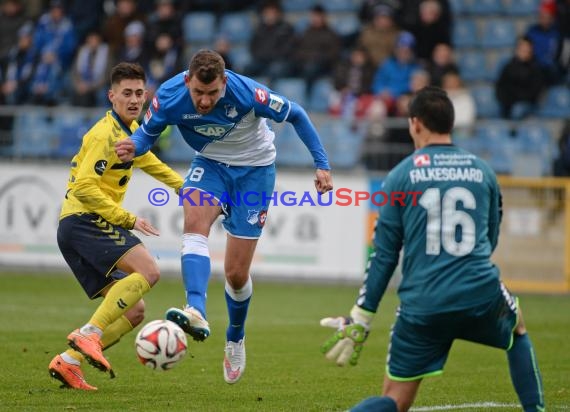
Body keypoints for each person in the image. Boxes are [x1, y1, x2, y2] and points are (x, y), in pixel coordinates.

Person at [320, 86, 545, 412]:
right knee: (518, 327)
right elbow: (490, 236)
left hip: (423, 303)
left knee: (394, 401)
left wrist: (362, 316)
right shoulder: (482, 171)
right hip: (480, 291)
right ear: (449, 123)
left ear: (415, 124)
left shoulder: (400, 176)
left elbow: (384, 254)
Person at [115, 49, 333, 384]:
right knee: (194, 223)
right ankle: (196, 310)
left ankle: (235, 337)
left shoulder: (247, 92)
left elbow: (298, 115)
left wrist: (321, 164)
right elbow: (146, 135)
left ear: (224, 82)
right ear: (187, 81)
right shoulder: (171, 97)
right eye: (198, 93)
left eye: (212, 93)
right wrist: (134, 145)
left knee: (235, 274)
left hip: (255, 172)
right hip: (211, 165)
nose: (204, 101)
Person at [49, 62, 184, 391]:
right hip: (83, 219)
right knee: (149, 271)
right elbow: (83, 188)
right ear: (112, 96)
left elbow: (152, 163)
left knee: (135, 311)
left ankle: (69, 361)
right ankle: (89, 334)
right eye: (127, 93)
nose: (135, 99)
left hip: (78, 227)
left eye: (140, 92)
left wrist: (187, 189)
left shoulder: (133, 132)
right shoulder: (103, 134)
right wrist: (128, 219)